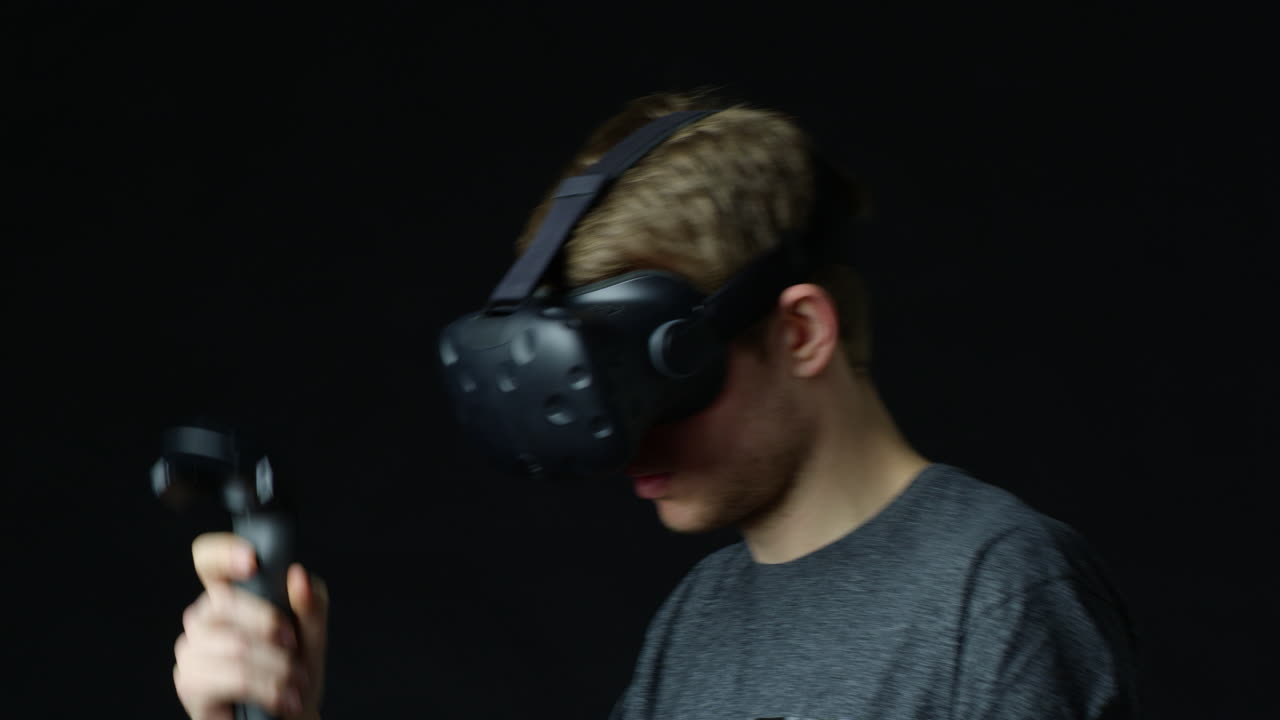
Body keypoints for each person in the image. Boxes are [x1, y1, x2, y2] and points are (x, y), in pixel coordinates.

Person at [171, 91, 1138, 719]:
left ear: (802, 332)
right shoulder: (701, 619)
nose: (622, 439)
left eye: (649, 383)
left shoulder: (995, 593)